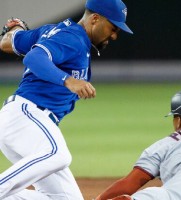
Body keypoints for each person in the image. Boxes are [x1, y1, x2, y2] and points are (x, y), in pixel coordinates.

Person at [0, 0, 133, 199]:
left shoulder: (53, 31)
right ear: (95, 19)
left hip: (26, 123)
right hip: (26, 115)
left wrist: (16, 29)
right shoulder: (72, 38)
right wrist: (67, 80)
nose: (114, 35)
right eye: (113, 28)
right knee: (57, 154)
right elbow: (33, 58)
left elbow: (6, 42)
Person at [96, 88, 181, 200]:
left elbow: (129, 184)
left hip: (180, 193)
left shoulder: (166, 144)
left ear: (178, 121)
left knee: (160, 195)